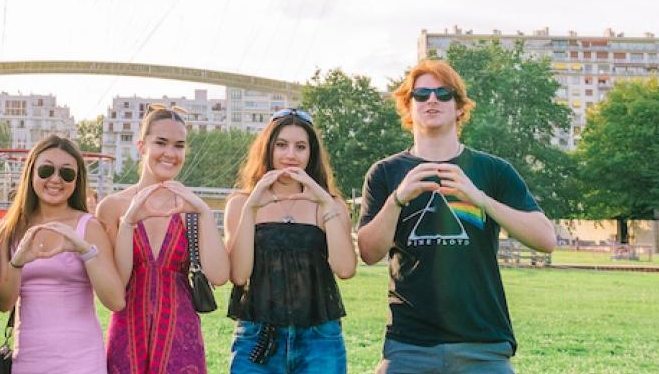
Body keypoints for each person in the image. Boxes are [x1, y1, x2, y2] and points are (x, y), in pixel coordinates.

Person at [356, 60, 557, 374]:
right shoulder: (384, 173)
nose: (432, 100)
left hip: (483, 344)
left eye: (443, 93)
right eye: (420, 95)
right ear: (408, 108)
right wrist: (398, 198)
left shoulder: (493, 170)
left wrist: (480, 199)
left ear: (460, 108)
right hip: (409, 344)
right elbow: (368, 253)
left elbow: (545, 240)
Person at [96, 105, 230, 374]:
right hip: (127, 335)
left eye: (179, 146)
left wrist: (202, 211)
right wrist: (129, 223)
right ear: (141, 146)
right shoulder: (113, 207)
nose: (170, 153)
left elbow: (219, 276)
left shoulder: (191, 207)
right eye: (161, 143)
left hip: (181, 337)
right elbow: (116, 286)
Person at [223, 108, 356, 373]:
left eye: (300, 147)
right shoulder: (241, 203)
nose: (290, 155)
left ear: (311, 153)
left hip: (319, 339)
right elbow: (239, 275)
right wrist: (252, 207)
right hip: (258, 337)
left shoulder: (329, 204)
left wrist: (324, 201)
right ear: (268, 148)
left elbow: (345, 269)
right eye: (281, 145)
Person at [0, 135, 124, 374]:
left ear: (77, 180)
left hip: (82, 360)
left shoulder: (89, 226)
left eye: (67, 174)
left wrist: (84, 251)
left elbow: (115, 300)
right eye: (46, 170)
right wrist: (17, 263)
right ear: (31, 173)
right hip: (29, 359)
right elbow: (4, 304)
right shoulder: (10, 230)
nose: (55, 179)